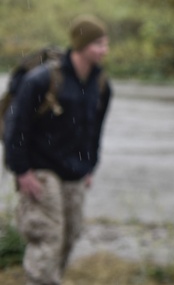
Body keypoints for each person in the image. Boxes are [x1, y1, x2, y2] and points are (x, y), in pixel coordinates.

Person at [3, 15, 113, 285]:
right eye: (98, 44)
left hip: (75, 169)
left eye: (106, 43)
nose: (104, 50)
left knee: (71, 234)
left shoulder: (101, 86)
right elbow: (16, 127)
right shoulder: (41, 80)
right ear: (81, 45)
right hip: (39, 169)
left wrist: (90, 166)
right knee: (48, 235)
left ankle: (50, 280)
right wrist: (21, 170)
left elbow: (95, 131)